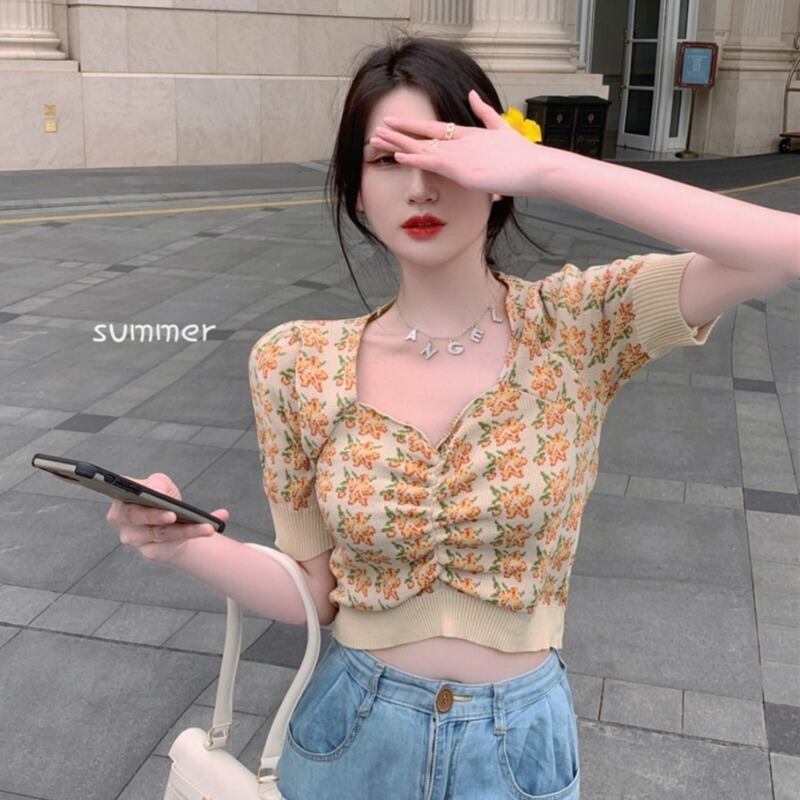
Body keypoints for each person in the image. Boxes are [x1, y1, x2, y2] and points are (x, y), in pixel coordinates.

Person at [106, 31, 798, 800]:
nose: (421, 186)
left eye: (446, 152)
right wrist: (184, 544)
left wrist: (550, 168)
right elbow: (313, 592)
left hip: (518, 748)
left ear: (495, 169)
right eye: (387, 159)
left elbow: (786, 247)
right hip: (349, 738)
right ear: (355, 190)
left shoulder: (579, 325)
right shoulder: (295, 363)